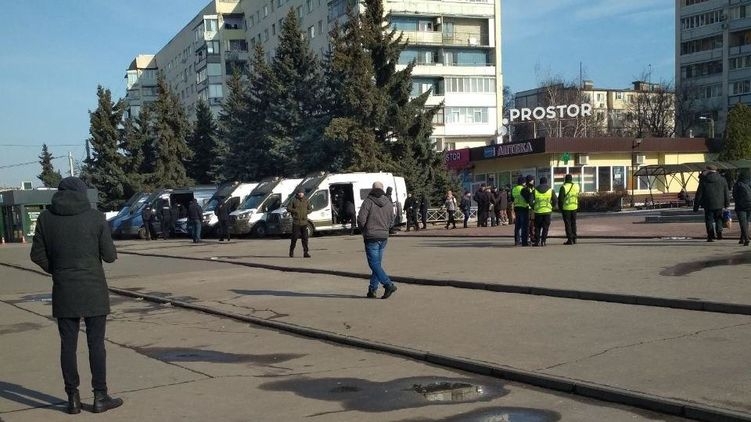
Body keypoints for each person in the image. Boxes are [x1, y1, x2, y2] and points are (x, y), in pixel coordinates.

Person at [29, 176, 123, 415]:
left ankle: (72, 397)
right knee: (96, 344)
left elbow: (36, 254)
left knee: (67, 345)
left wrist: (57, 269)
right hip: (93, 289)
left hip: (64, 289)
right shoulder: (95, 217)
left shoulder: (45, 218)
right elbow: (110, 256)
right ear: (82, 193)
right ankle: (100, 396)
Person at [357, 181, 397, 299]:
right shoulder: (388, 203)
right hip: (383, 236)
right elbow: (392, 220)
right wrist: (386, 229)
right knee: (377, 264)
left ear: (372, 189)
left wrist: (363, 230)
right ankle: (372, 290)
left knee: (373, 264)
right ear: (383, 189)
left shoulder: (368, 201)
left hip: (371, 236)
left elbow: (361, 219)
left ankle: (388, 284)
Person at [693, 165, 730, 242]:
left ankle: (710, 236)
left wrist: (696, 206)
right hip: (720, 203)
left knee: (709, 220)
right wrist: (727, 204)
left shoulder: (704, 180)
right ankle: (719, 233)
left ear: (708, 170)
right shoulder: (722, 179)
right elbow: (726, 192)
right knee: (718, 218)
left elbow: (699, 194)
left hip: (708, 204)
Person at [531, 176, 556, 246]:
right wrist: (551, 207)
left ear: (540, 182)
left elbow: (530, 201)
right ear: (546, 182)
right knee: (545, 227)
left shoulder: (535, 190)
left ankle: (537, 241)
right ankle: (543, 241)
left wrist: (534, 207)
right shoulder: (551, 190)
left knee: (537, 227)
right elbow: (555, 200)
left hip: (538, 211)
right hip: (547, 211)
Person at [288, 189, 312, 257]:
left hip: (304, 222)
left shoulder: (306, 200)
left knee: (305, 238)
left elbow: (310, 209)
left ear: (304, 193)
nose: (301, 194)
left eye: (302, 193)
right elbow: (288, 208)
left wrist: (306, 212)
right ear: (297, 193)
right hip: (296, 222)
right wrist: (295, 211)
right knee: (294, 237)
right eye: (300, 193)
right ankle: (291, 251)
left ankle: (306, 252)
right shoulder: (293, 200)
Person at [558, 174, 580, 245]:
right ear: (571, 179)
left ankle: (570, 239)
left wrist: (560, 208)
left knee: (568, 224)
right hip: (574, 207)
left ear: (565, 179)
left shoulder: (563, 187)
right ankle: (574, 238)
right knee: (574, 223)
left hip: (566, 208)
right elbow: (577, 194)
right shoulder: (576, 186)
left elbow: (560, 200)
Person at [732, 170, 751, 246]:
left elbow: (734, 195)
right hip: (750, 204)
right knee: (746, 221)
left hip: (740, 205)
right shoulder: (750, 182)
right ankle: (742, 238)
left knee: (742, 222)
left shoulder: (738, 184)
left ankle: (746, 238)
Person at [512, 176, 531, 246]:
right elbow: (528, 199)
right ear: (524, 182)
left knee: (517, 226)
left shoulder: (514, 189)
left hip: (517, 208)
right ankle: (524, 242)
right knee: (524, 226)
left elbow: (512, 198)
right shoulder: (524, 189)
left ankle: (517, 241)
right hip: (524, 208)